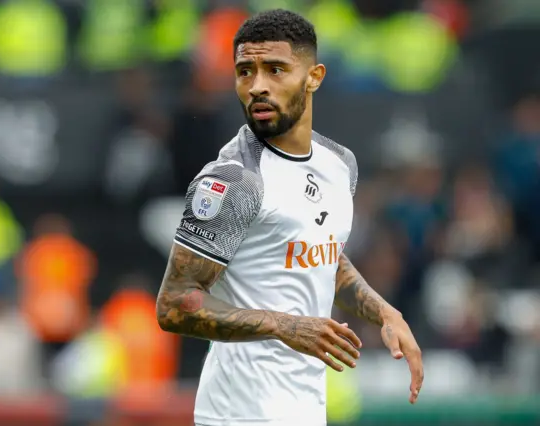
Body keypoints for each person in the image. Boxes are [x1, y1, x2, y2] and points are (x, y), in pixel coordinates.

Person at [156, 9, 424, 426]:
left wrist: (384, 312)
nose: (257, 86)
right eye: (245, 71)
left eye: (275, 69)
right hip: (240, 414)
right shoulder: (233, 181)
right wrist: (284, 326)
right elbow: (174, 305)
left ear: (314, 76)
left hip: (306, 409)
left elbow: (320, 255)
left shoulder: (339, 164)